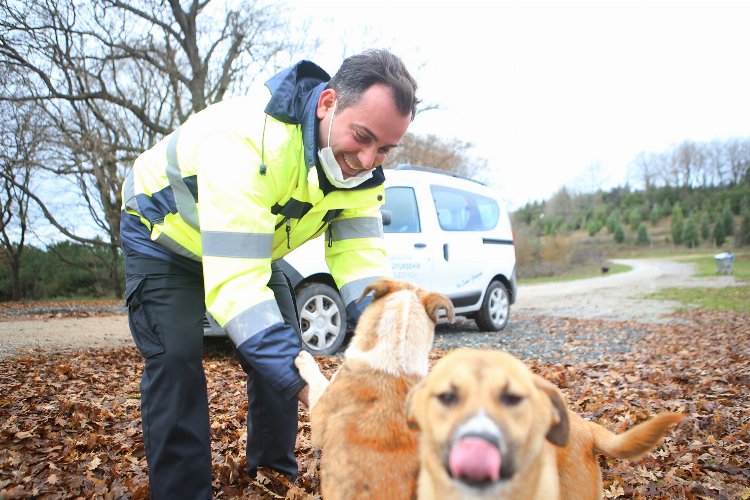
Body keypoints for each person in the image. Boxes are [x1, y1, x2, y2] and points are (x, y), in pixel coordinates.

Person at [119, 49, 419, 498]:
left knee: (283, 353)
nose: (368, 159)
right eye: (362, 137)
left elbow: (363, 265)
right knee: (177, 359)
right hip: (164, 237)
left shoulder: (363, 174)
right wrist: (314, 387)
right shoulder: (244, 142)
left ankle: (274, 480)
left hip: (244, 241)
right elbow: (236, 288)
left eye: (385, 149)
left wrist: (392, 353)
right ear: (327, 103)